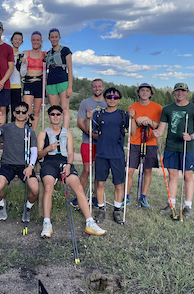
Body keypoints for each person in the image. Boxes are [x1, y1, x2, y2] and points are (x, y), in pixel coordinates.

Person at [37, 105, 106, 237]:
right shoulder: (43, 133)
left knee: (78, 187)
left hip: (64, 163)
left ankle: (90, 222)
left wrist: (69, 165)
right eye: (53, 114)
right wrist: (48, 148)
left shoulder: (67, 133)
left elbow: (70, 152)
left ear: (62, 116)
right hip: (49, 163)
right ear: (49, 116)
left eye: (58, 114)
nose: (55, 116)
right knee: (48, 186)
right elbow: (39, 154)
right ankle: (47, 223)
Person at [153, 83, 194, 218]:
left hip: (188, 148)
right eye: (177, 91)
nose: (180, 93)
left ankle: (188, 206)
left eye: (183, 91)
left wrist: (191, 136)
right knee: (173, 176)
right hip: (171, 147)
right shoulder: (168, 109)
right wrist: (157, 133)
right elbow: (162, 128)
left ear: (187, 92)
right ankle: (171, 204)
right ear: (174, 93)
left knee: (188, 177)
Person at [87, 88, 136, 225]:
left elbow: (132, 132)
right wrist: (88, 118)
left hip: (118, 155)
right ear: (105, 99)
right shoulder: (98, 114)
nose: (112, 99)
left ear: (119, 100)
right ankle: (101, 209)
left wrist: (132, 118)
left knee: (119, 185)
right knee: (100, 183)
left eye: (115, 97)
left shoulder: (123, 115)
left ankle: (117, 210)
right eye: (109, 97)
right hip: (102, 154)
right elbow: (90, 130)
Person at [0, 102, 39, 223]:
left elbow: (34, 151)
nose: (21, 114)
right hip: (7, 164)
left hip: (24, 166)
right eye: (18, 111)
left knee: (35, 190)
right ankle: (2, 205)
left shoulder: (30, 132)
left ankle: (27, 207)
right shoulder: (7, 127)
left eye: (23, 112)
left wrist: (30, 166)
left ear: (27, 114)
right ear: (14, 113)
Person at [125, 83, 162, 209]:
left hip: (150, 142)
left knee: (147, 170)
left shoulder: (157, 108)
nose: (145, 93)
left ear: (151, 93)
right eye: (142, 90)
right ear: (138, 93)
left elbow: (158, 125)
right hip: (135, 142)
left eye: (147, 91)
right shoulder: (132, 107)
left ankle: (143, 197)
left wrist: (149, 120)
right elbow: (132, 130)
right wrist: (135, 120)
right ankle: (126, 196)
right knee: (129, 171)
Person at [72, 78, 107, 208]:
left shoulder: (107, 103)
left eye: (99, 86)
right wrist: (92, 135)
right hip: (88, 142)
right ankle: (79, 197)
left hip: (102, 144)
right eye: (94, 87)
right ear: (92, 88)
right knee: (87, 170)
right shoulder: (85, 102)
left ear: (103, 88)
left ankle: (97, 198)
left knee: (99, 171)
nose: (97, 88)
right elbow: (79, 123)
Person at [46, 28, 73, 129]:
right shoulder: (48, 54)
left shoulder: (65, 51)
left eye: (56, 37)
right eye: (52, 37)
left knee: (64, 109)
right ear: (49, 38)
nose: (54, 39)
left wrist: (70, 86)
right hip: (51, 83)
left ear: (59, 38)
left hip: (63, 82)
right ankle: (55, 131)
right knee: (54, 110)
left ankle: (64, 132)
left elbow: (70, 69)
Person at [22, 31, 46, 131]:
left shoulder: (44, 54)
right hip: (28, 82)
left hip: (39, 83)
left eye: (37, 40)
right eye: (33, 40)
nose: (35, 42)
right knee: (27, 110)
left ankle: (33, 134)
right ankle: (26, 131)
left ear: (40, 41)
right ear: (31, 41)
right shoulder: (25, 53)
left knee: (36, 111)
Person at [9, 31, 27, 122]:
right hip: (5, 85)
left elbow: (23, 74)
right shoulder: (6, 53)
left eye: (20, 40)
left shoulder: (22, 55)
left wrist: (24, 64)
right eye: (15, 39)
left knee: (15, 111)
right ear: (11, 40)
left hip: (16, 85)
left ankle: (13, 132)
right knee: (3, 110)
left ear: (22, 42)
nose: (17, 41)